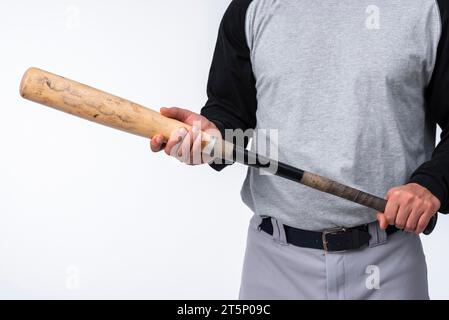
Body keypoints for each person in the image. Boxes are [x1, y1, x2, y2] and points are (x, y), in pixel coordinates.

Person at [150, 0, 449, 299]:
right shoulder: (251, 7)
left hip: (389, 265)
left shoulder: (429, 8)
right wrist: (210, 138)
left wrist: (430, 184)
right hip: (275, 266)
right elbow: (231, 116)